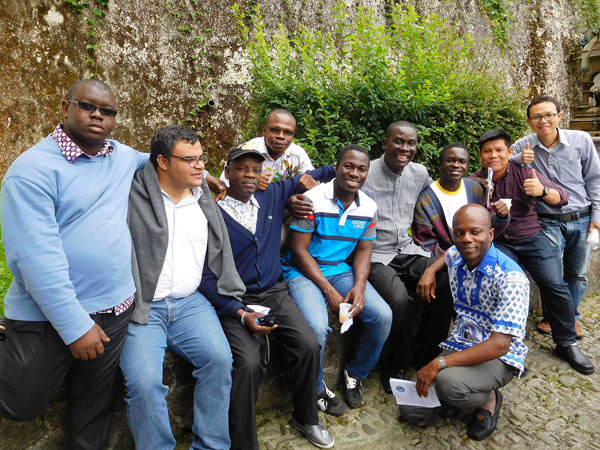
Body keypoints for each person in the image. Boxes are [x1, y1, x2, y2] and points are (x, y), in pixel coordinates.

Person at [0, 79, 148, 449]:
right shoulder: (32, 171)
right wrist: (76, 327)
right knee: (20, 403)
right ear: (65, 107)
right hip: (49, 317)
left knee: (93, 410)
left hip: (115, 309)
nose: (98, 115)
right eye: (88, 106)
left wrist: (201, 173)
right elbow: (35, 260)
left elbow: (157, 158)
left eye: (107, 111)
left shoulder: (120, 155)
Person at [201, 147, 336, 449]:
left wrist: (339, 168)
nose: (250, 175)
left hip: (274, 293)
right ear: (227, 172)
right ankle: (243, 442)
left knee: (308, 345)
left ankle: (306, 417)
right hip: (235, 299)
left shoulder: (271, 195)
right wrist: (236, 310)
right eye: (241, 169)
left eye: (255, 170)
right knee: (247, 363)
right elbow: (205, 275)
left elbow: (312, 175)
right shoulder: (210, 212)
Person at [121, 125, 243, 449]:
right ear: (162, 162)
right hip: (144, 305)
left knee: (219, 360)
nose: (200, 166)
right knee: (144, 384)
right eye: (190, 160)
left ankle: (211, 446)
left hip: (190, 302)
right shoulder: (132, 192)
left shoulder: (202, 196)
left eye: (202, 158)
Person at [400, 204, 529, 441]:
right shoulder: (459, 255)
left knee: (448, 383)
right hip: (462, 342)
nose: (466, 239)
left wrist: (439, 363)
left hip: (498, 355)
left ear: (490, 234)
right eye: (459, 233)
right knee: (411, 411)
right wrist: (430, 271)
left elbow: (500, 344)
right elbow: (449, 253)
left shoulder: (510, 278)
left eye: (475, 232)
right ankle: (458, 392)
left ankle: (489, 399)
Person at [282, 145, 392, 416]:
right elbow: (298, 251)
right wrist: (329, 291)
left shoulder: (368, 207)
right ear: (336, 167)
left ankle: (355, 373)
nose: (354, 173)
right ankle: (317, 387)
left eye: (361, 169)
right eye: (348, 166)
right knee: (317, 328)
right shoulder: (313, 199)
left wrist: (359, 287)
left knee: (383, 316)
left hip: (339, 270)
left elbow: (364, 250)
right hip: (302, 271)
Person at [471, 129, 594, 375]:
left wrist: (542, 191)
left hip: (532, 237)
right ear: (480, 154)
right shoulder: (475, 182)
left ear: (509, 152)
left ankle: (566, 342)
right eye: (487, 151)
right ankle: (507, 348)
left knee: (555, 283)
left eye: (499, 150)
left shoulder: (525, 172)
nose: (493, 156)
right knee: (502, 286)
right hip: (500, 241)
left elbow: (563, 198)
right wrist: (481, 199)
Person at [361, 121, 454, 392]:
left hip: (408, 249)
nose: (405, 148)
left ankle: (426, 354)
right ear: (385, 144)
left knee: (447, 279)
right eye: (398, 141)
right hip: (375, 254)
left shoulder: (419, 173)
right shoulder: (366, 172)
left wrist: (476, 185)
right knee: (399, 300)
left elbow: (441, 194)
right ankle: (396, 363)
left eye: (410, 143)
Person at [511, 95, 600, 338]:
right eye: (537, 117)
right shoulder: (524, 145)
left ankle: (570, 318)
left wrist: (597, 215)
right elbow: (501, 163)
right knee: (551, 275)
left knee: (577, 274)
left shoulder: (581, 140)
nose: (544, 121)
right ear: (529, 121)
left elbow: (594, 180)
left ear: (559, 116)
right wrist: (519, 159)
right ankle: (554, 318)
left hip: (582, 217)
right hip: (546, 219)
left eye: (549, 115)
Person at [413, 143, 509, 256]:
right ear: (440, 164)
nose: (456, 165)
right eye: (450, 160)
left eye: (462, 162)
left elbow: (488, 224)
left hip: (479, 254)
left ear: (467, 166)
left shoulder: (475, 189)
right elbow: (426, 243)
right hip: (445, 259)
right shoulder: (426, 200)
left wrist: (502, 216)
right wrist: (454, 260)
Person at [220, 109, 314, 189]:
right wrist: (249, 183)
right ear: (264, 130)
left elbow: (312, 181)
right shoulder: (246, 151)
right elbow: (223, 185)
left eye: (288, 132)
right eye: (275, 130)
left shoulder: (297, 154)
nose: (281, 136)